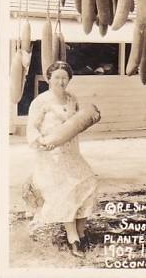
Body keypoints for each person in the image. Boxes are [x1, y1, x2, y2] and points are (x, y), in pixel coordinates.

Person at [25, 61, 99, 257]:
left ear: (69, 80)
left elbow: (77, 122)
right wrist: (42, 142)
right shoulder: (40, 102)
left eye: (64, 78)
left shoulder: (72, 99)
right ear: (48, 78)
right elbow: (31, 128)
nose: (61, 81)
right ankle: (73, 237)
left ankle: (82, 231)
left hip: (72, 151)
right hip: (51, 155)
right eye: (57, 77)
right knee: (67, 191)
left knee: (89, 184)